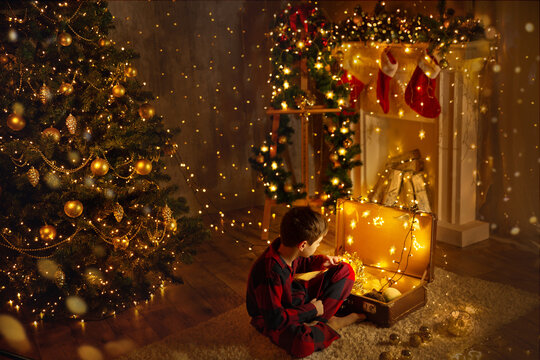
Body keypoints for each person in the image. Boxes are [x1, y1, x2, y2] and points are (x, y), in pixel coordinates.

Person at [246, 206, 365, 358]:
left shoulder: (285, 247)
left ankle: (318, 320)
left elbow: (301, 261)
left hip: (292, 295)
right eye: (317, 243)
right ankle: (328, 323)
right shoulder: (270, 273)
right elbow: (274, 320)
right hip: (270, 317)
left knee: (345, 271)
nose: (318, 247)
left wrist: (323, 261)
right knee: (302, 344)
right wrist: (312, 309)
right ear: (302, 245)